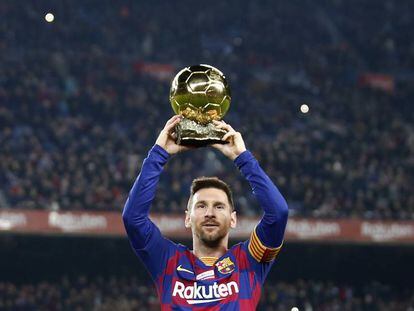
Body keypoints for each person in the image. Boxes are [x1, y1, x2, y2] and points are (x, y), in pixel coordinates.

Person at [122, 115, 289, 310]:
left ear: (233, 219)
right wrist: (159, 153)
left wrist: (242, 157)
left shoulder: (249, 261)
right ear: (187, 218)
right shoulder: (167, 260)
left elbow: (278, 213)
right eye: (201, 206)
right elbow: (133, 218)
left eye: (219, 206)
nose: (210, 213)